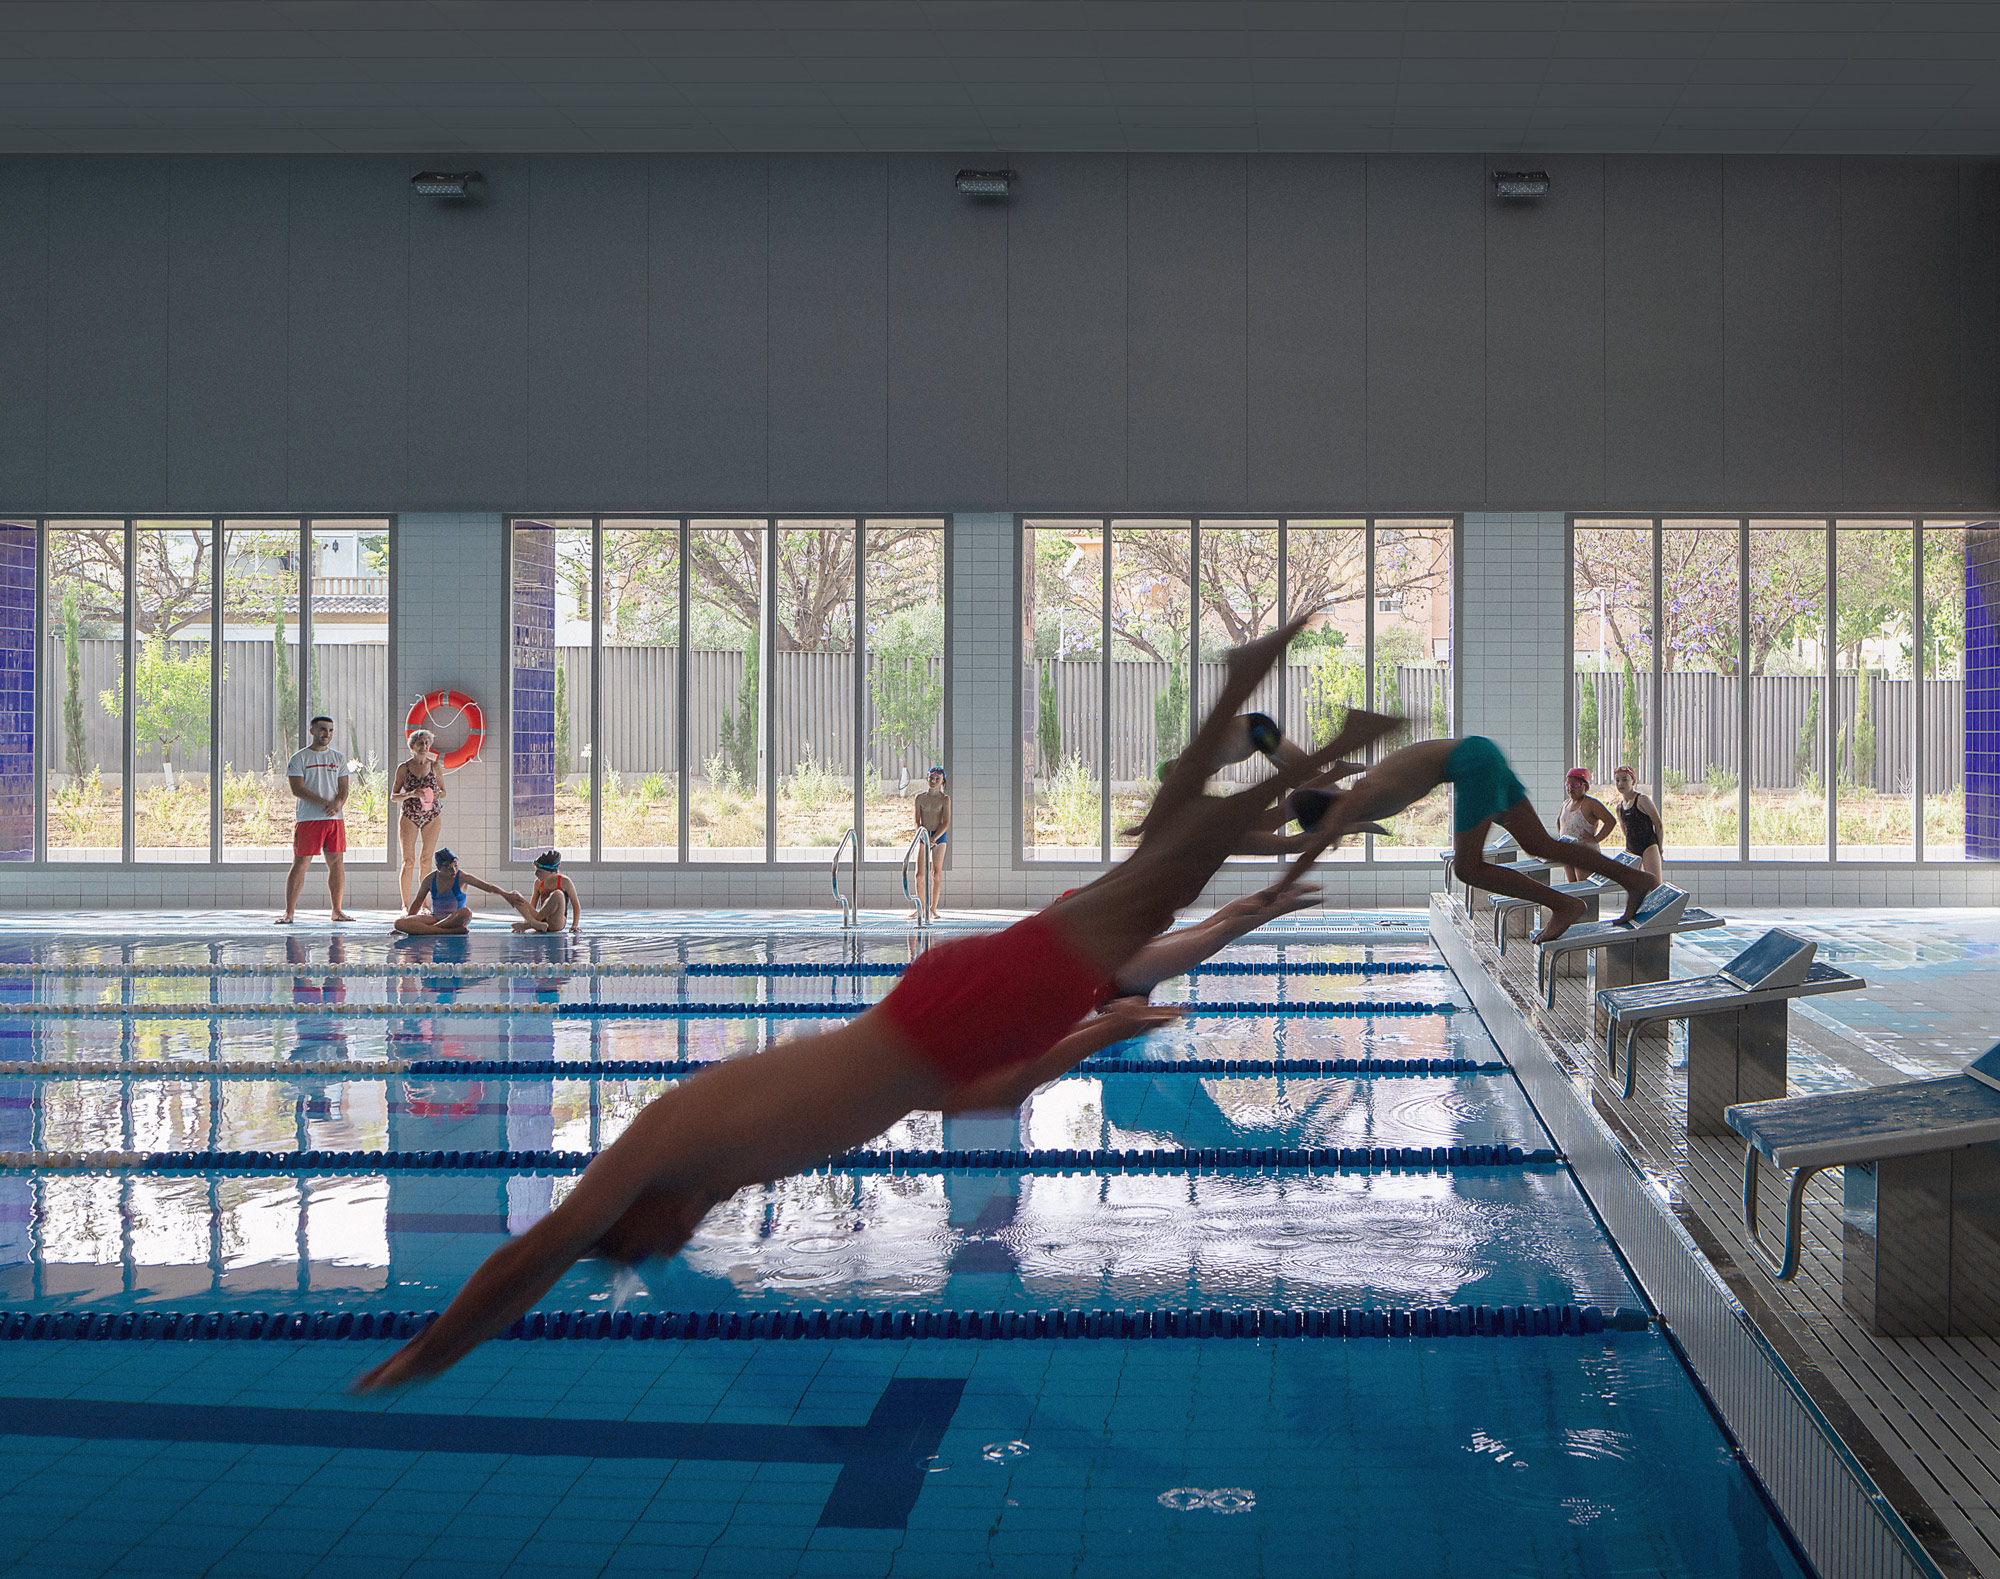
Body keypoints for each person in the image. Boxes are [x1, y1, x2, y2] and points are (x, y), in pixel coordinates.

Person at [351, 616, 1398, 1393]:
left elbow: (537, 1249)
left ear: (646, 1214)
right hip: (951, 1031)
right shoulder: (713, 1173)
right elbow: (985, 1092)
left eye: (653, 1241)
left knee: (1159, 876)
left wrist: (434, 1349)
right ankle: (1257, 729)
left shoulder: (663, 1145)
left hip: (946, 1021)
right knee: (1156, 863)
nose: (675, 1244)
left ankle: (1290, 758)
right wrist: (1093, 1033)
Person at [1283, 736, 1656, 943]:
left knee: (1468, 868)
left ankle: (1562, 905)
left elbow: (1313, 844)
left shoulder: (1360, 798)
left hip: (1470, 766)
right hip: (1480, 754)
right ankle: (1633, 879)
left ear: (1328, 817)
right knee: (1540, 845)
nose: (1335, 834)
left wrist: (1276, 890)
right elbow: (1317, 798)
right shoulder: (1351, 796)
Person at [276, 716, 354, 925]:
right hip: (309, 819)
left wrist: (337, 804)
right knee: (301, 862)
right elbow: (297, 789)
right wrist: (324, 803)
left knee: (336, 863)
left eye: (330, 730)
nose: (326, 734)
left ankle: (337, 910)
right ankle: (289, 912)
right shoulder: (300, 758)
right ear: (312, 731)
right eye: (322, 730)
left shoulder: (338, 758)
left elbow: (344, 788)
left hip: (334, 819)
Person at [393, 849, 515, 936]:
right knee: (399, 923)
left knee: (466, 912)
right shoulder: (430, 879)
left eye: (455, 866)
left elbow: (487, 887)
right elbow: (417, 903)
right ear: (439, 869)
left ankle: (427, 930)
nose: (454, 870)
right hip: (436, 919)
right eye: (449, 868)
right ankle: (448, 931)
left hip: (455, 919)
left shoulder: (462, 877)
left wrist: (506, 895)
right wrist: (407, 923)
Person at [391, 730, 448, 907]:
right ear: (412, 746)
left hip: (431, 815)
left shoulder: (435, 766)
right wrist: (410, 794)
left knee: (426, 860)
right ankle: (405, 904)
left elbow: (444, 792)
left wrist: (436, 795)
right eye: (420, 743)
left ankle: (424, 904)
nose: (424, 747)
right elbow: (393, 796)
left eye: (426, 743)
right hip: (410, 815)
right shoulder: (404, 768)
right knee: (408, 861)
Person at [1555, 768, 1617, 882]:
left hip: (1585, 853)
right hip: (1568, 853)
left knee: (1585, 889)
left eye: (1576, 784)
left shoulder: (1590, 804)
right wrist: (1561, 839)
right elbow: (1559, 821)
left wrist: (1596, 839)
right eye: (1568, 784)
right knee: (1573, 888)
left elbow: (1611, 822)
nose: (1570, 788)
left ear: (1586, 787)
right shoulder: (1566, 803)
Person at [507, 850, 584, 934]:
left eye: (540, 871)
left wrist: (574, 926)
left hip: (555, 923)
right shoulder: (538, 883)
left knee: (558, 894)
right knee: (515, 895)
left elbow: (576, 905)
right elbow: (532, 905)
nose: (536, 874)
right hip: (541, 921)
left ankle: (532, 924)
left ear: (551, 872)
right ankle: (532, 924)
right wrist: (525, 923)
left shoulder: (564, 881)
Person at [1612, 765, 1666, 882]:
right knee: (1633, 886)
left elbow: (1658, 824)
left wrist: (1659, 848)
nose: (1620, 783)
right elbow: (1625, 831)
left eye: (1625, 779)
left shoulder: (1642, 800)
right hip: (1631, 847)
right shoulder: (1619, 808)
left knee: (1654, 885)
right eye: (1617, 780)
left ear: (1633, 781)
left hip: (1649, 846)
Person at [912, 767, 950, 916]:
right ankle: (921, 907)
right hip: (923, 835)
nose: (933, 781)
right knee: (919, 875)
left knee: (935, 873)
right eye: (931, 778)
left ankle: (933, 908)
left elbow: (946, 822)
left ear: (942, 781)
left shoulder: (944, 799)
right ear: (927, 779)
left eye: (937, 779)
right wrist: (920, 834)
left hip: (939, 837)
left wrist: (934, 838)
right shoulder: (919, 798)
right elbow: (916, 820)